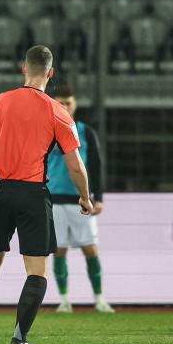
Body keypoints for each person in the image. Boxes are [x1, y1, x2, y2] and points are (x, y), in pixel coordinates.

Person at [0, 46, 92, 344]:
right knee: (37, 270)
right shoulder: (58, 112)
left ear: (22, 69)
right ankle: (19, 338)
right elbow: (75, 164)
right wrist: (85, 196)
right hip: (32, 193)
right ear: (50, 73)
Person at [47, 86, 113, 314]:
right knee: (59, 251)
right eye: (60, 103)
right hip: (53, 199)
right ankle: (64, 300)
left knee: (91, 249)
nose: (65, 106)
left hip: (81, 199)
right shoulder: (45, 131)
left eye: (68, 102)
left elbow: (96, 165)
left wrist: (99, 197)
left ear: (75, 104)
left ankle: (99, 298)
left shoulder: (86, 132)